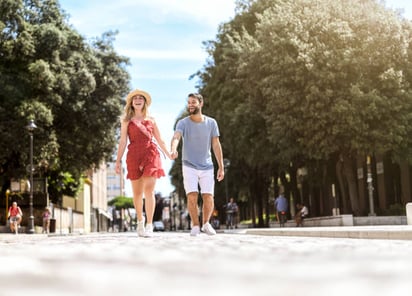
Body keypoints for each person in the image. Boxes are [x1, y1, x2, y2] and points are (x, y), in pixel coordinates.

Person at [115, 89, 171, 237]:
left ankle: (149, 224)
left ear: (145, 102)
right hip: (133, 156)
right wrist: (117, 160)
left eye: (141, 98)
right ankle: (140, 221)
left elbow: (160, 139)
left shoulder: (151, 120)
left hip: (150, 154)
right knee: (137, 193)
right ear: (131, 103)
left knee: (149, 190)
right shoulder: (126, 120)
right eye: (135, 98)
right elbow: (122, 142)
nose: (138, 100)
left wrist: (169, 154)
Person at [170, 93, 224, 236]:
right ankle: (195, 225)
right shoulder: (183, 123)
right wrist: (173, 148)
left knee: (208, 196)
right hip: (189, 165)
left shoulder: (211, 123)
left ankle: (206, 223)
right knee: (192, 195)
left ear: (201, 103)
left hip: (207, 165)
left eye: (193, 102)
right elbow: (176, 136)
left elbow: (216, 145)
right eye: (188, 102)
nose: (190, 105)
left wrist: (221, 166)